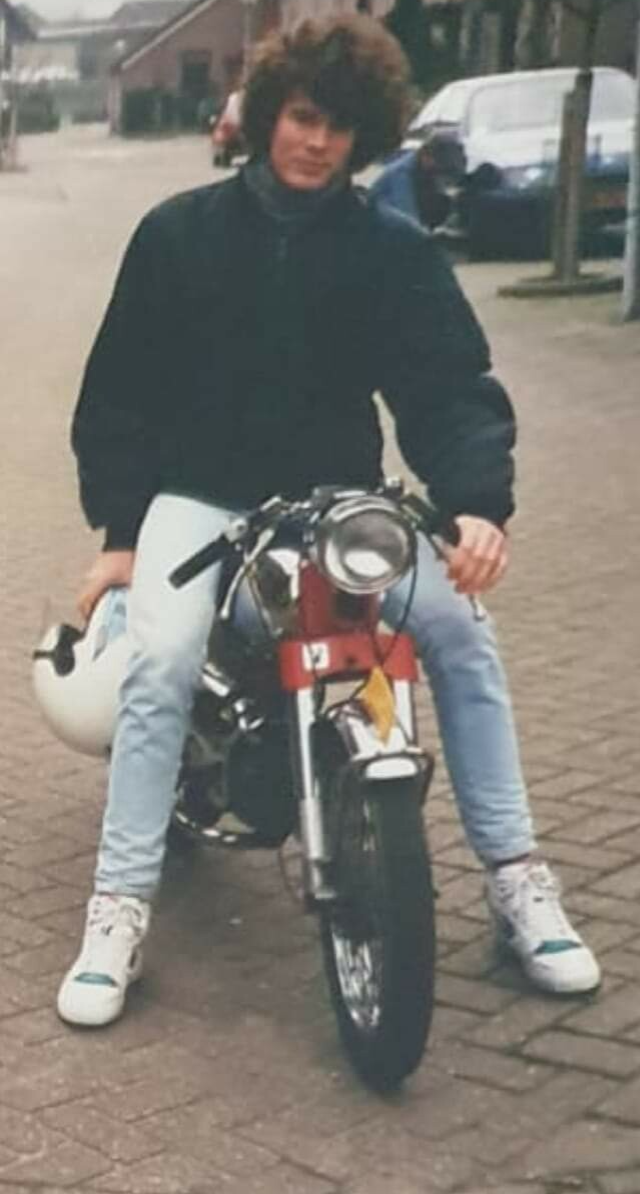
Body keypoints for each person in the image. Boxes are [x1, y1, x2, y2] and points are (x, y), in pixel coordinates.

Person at [59, 15, 600, 1028]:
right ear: (269, 115)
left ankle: (518, 879)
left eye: (339, 127)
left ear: (365, 136)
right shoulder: (178, 234)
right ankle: (119, 905)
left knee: (459, 631)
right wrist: (121, 536)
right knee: (161, 661)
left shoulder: (391, 249)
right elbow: (121, 392)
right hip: (200, 496)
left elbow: (446, 383)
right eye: (303, 117)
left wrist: (476, 505)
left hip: (336, 501)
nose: (317, 142)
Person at [369, 127, 467, 230]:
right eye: (438, 166)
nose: (440, 173)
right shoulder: (401, 175)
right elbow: (408, 220)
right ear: (425, 155)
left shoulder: (434, 169)